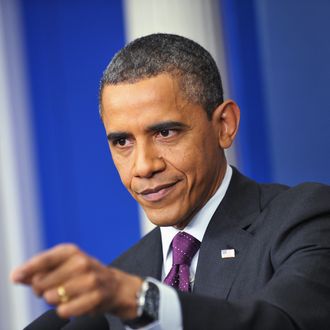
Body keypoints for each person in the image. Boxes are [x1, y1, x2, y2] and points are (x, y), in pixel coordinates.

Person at [11, 34, 330, 330]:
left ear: (224, 125)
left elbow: (284, 323)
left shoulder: (304, 218)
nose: (144, 166)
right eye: (122, 141)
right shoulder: (117, 281)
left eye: (165, 133)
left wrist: (139, 300)